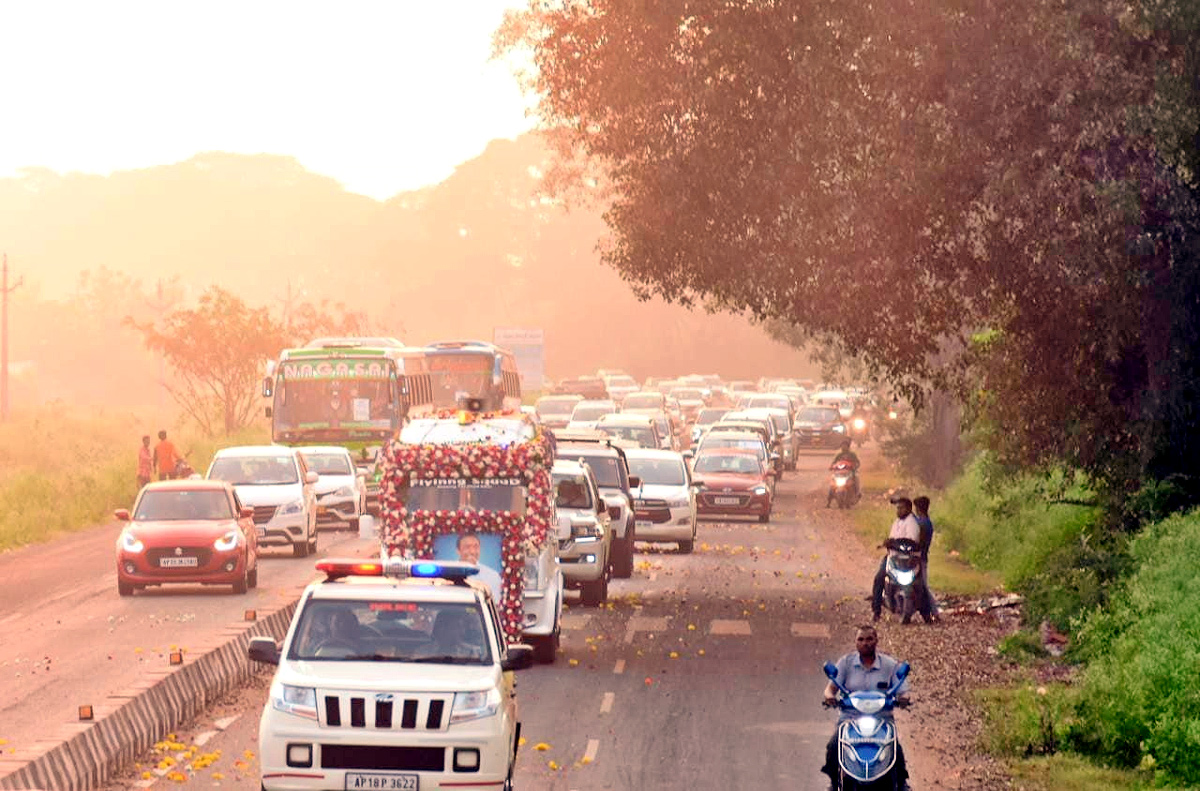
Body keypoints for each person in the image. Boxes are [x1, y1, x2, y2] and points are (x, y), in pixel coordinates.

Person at [820, 625, 911, 790]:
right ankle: (834, 783)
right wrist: (830, 698)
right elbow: (830, 689)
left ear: (876, 641)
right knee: (834, 744)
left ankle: (902, 783)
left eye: (869, 639)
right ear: (855, 642)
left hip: (882, 719)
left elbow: (903, 690)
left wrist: (903, 699)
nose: (865, 643)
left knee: (895, 747)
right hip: (850, 719)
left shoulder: (889, 665)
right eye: (861, 639)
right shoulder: (845, 663)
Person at [871, 497, 922, 621]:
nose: (898, 510)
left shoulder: (912, 524)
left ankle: (926, 611)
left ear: (909, 509)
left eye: (901, 508)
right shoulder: (897, 522)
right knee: (879, 579)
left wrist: (895, 543)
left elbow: (911, 541)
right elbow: (892, 539)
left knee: (921, 584)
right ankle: (876, 610)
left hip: (907, 560)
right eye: (897, 508)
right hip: (893, 557)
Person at [913, 495, 940, 622]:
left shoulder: (922, 523)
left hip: (920, 558)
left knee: (923, 586)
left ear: (918, 508)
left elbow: (919, 541)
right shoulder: (926, 522)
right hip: (922, 557)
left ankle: (934, 611)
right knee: (922, 585)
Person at [456, 533, 503, 602]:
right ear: (458, 551)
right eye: (467, 547)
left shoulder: (493, 576)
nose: (472, 551)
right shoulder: (448, 573)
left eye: (476, 547)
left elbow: (495, 604)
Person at [826, 439, 861, 507]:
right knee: (832, 484)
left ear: (848, 447)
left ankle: (857, 492)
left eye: (845, 446)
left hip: (850, 472)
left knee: (856, 478)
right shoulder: (839, 455)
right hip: (839, 473)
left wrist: (855, 466)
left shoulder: (852, 455)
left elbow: (857, 462)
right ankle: (829, 501)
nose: (843, 447)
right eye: (842, 446)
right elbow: (834, 462)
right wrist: (831, 467)